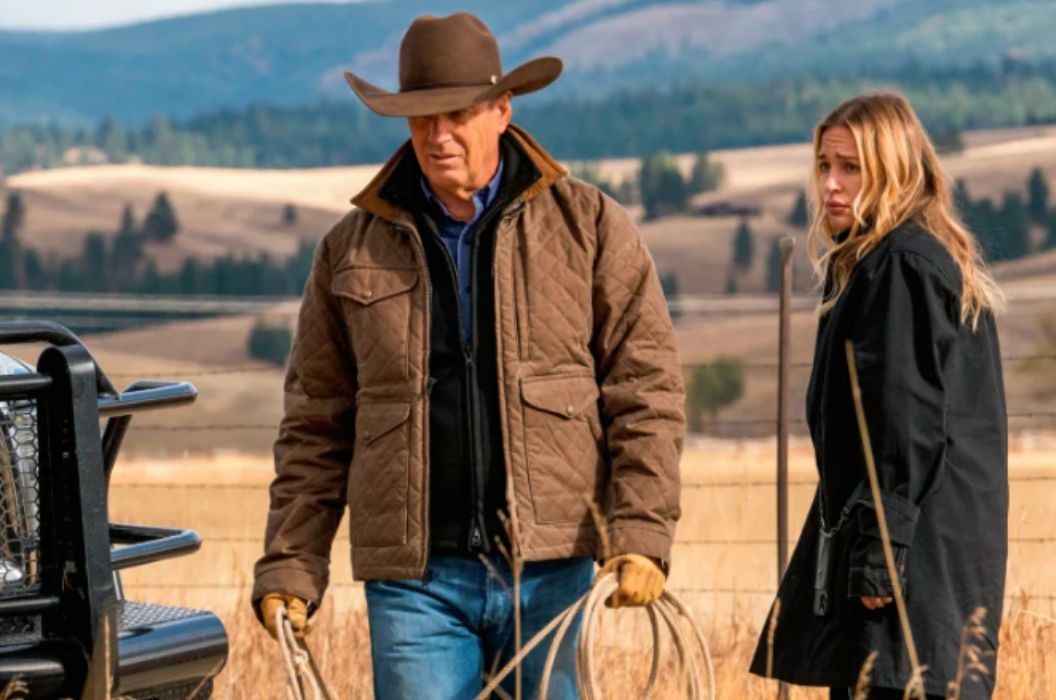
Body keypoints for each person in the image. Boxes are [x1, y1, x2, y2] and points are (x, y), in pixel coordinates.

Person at [250, 13, 685, 700]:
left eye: (456, 114)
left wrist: (641, 530)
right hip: (415, 582)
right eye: (419, 117)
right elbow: (315, 424)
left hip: (552, 568)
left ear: (502, 110)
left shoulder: (591, 227)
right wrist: (291, 566)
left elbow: (646, 391)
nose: (437, 135)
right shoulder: (350, 250)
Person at [750, 92, 1009, 699]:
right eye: (823, 166)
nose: (832, 186)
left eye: (851, 168)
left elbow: (902, 421)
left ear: (893, 171)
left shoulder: (901, 266)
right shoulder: (893, 258)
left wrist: (879, 553)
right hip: (926, 558)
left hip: (909, 562)